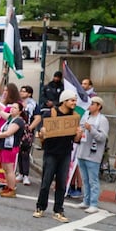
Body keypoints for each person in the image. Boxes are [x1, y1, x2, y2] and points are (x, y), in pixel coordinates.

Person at [32, 90, 79, 220]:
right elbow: (41, 133)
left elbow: (76, 139)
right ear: (64, 101)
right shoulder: (50, 113)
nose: (74, 103)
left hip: (65, 153)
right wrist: (42, 132)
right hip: (51, 152)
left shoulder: (74, 116)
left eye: (75, 100)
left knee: (62, 184)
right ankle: (40, 207)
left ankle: (58, 210)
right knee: (46, 182)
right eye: (72, 100)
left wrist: (79, 133)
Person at [0, 84, 25, 198]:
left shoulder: (19, 121)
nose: (12, 109)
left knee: (10, 169)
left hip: (11, 148)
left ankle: (12, 189)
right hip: (4, 146)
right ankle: (7, 186)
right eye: (12, 107)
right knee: (5, 168)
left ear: (20, 111)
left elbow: (8, 133)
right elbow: (1, 112)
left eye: (15, 108)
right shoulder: (11, 118)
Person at [75, 98, 107, 212]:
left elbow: (102, 137)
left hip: (93, 154)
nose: (90, 106)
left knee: (93, 180)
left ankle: (94, 203)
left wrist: (91, 129)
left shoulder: (102, 120)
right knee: (85, 179)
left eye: (93, 104)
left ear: (99, 106)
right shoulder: (86, 117)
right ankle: (86, 200)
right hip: (82, 151)